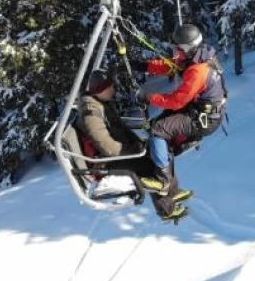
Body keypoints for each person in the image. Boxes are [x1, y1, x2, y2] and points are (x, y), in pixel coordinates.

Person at [76, 70, 189, 221]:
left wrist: (138, 144)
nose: (113, 89)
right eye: (110, 86)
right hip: (105, 162)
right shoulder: (91, 112)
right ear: (101, 89)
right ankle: (167, 210)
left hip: (117, 154)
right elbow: (106, 146)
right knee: (150, 165)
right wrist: (132, 150)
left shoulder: (102, 104)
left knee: (160, 151)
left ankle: (172, 191)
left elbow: (121, 128)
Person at [134, 23, 228, 195]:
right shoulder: (199, 56)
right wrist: (145, 66)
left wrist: (149, 97)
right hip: (199, 111)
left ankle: (163, 181)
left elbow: (177, 101)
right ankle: (171, 186)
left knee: (158, 130)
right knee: (160, 125)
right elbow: (172, 65)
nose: (177, 52)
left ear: (189, 47)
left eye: (180, 48)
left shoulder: (198, 70)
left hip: (204, 119)